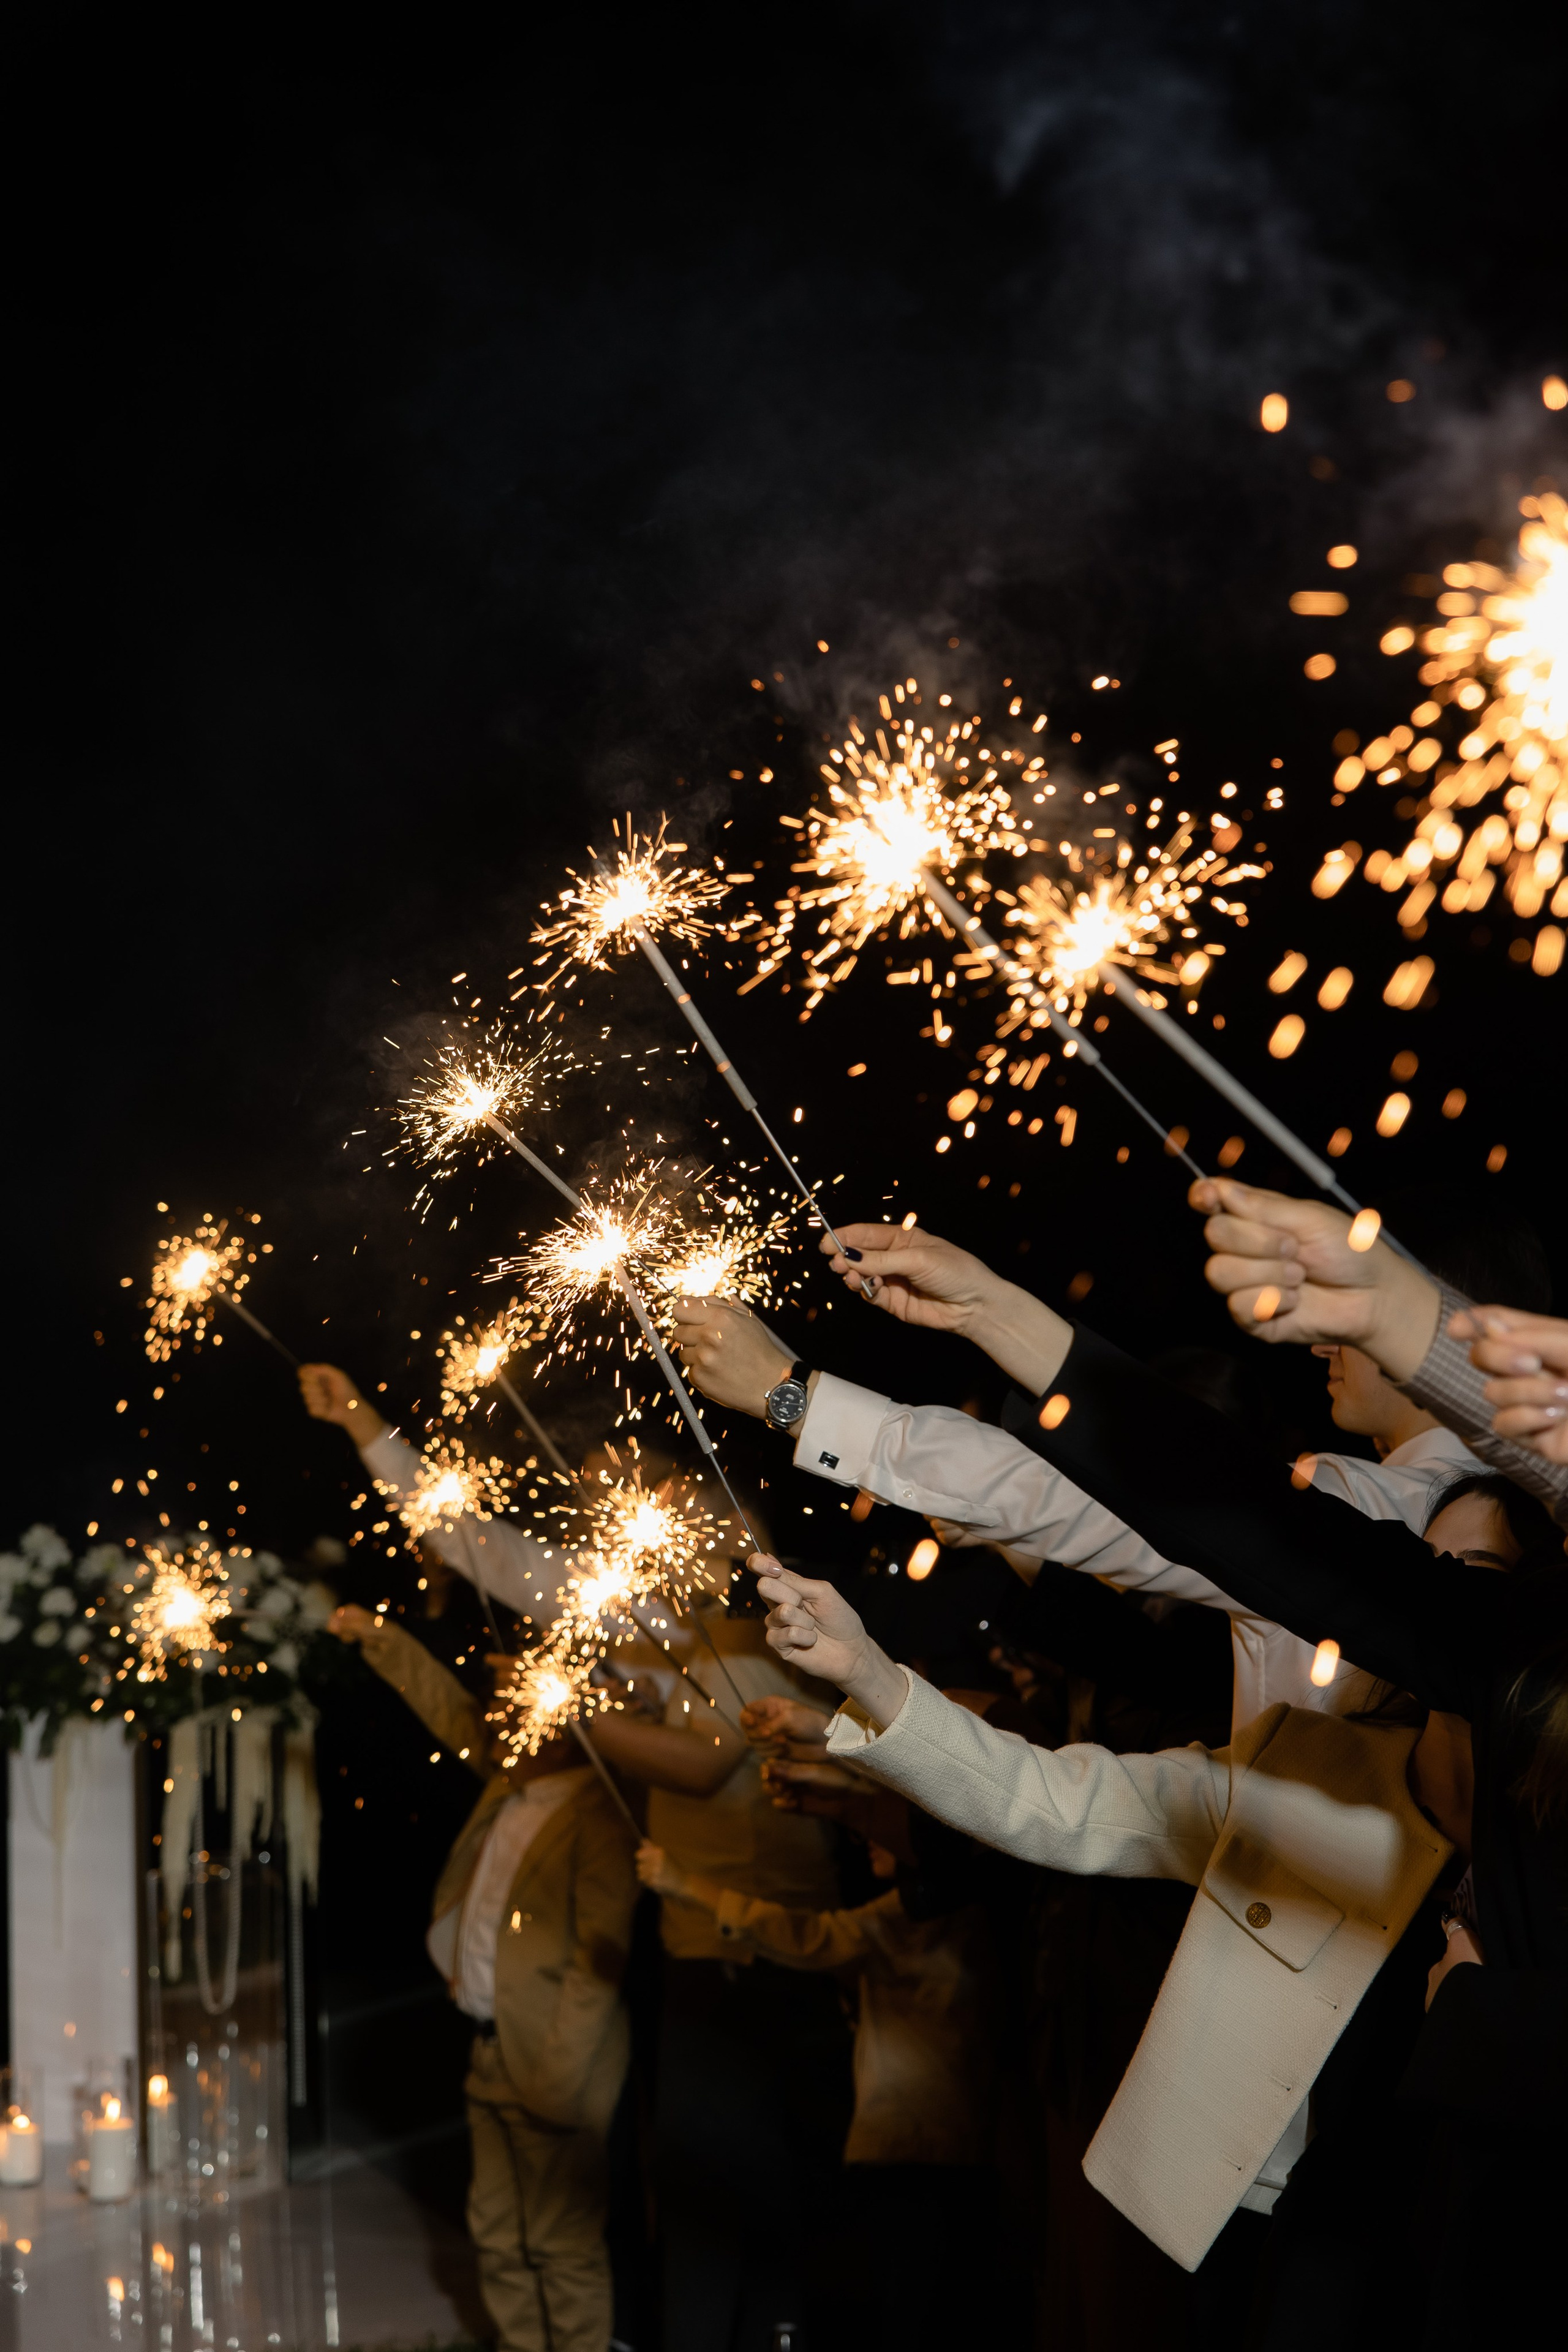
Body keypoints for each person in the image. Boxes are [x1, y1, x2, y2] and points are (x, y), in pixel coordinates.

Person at [802, 1215, 1566, 2333]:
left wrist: (1487, 2020)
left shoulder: (1458, 1545)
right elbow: (1237, 1534)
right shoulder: (1467, 1664)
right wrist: (999, 1316)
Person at [299, 1361, 851, 2352]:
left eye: (613, 1489)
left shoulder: (770, 1617)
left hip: (786, 1960)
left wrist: (574, 1703)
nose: (596, 1516)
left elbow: (701, 1766)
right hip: (683, 1939)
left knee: (770, 2211)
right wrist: (365, 1422)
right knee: (678, 2192)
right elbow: (475, 1544)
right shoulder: (630, 1605)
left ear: (679, 1493)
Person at [666, 1282, 1480, 1732]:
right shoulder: (1393, 1500)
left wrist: (792, 1397)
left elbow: (1101, 1525)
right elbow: (1091, 1802)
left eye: (1355, 1306)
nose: (1320, 1343)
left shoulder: (1400, 1510)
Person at [328, 1602, 636, 2352]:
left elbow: (598, 1967)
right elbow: (446, 1707)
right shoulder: (510, 1782)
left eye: (522, 1708)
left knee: (561, 2245)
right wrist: (380, 1638)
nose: (502, 1720)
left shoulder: (599, 1816)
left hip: (557, 2063)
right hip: (489, 2049)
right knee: (497, 2235)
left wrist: (557, 2085)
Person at [633, 1818, 1002, 2352]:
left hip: (918, 2153)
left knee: (914, 2317)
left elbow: (810, 1936)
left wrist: (687, 1884)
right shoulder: (951, 1915)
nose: (865, 1834)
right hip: (942, 2150)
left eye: (888, 1821)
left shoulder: (917, 1918)